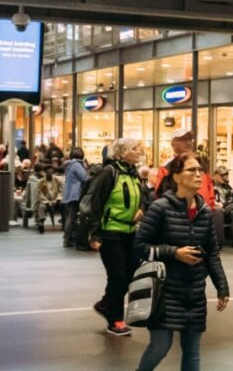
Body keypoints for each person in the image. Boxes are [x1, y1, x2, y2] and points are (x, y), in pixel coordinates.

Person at [133, 153, 230, 371]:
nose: (198, 174)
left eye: (200, 170)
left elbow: (212, 253)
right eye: (191, 170)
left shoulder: (205, 212)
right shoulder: (160, 208)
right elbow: (139, 247)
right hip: (164, 291)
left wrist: (222, 286)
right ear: (176, 177)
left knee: (193, 352)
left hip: (194, 292)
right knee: (160, 346)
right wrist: (173, 252)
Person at [89, 138, 148, 337]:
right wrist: (95, 234)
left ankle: (106, 304)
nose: (139, 151)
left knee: (130, 274)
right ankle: (116, 320)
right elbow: (96, 203)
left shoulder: (134, 174)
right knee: (118, 276)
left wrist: (141, 209)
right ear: (121, 153)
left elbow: (143, 197)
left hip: (130, 232)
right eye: (134, 149)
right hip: (110, 232)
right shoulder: (109, 172)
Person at [62, 147, 89, 247]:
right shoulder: (77, 165)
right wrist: (87, 168)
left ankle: (68, 238)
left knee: (71, 216)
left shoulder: (70, 164)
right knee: (72, 217)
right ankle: (67, 239)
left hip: (70, 194)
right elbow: (85, 178)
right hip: (76, 194)